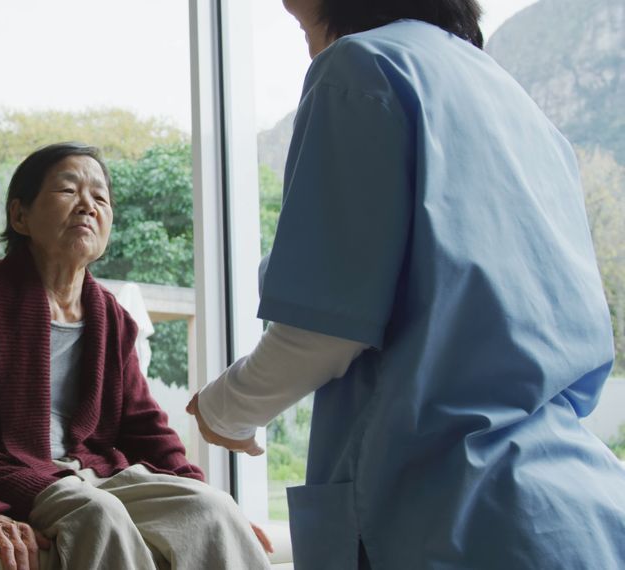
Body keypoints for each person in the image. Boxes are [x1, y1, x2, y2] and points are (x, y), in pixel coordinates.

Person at [186, 0, 625, 568]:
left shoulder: (361, 67)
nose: (308, 44)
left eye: (300, 27)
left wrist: (224, 409)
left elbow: (321, 333)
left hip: (449, 516)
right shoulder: (523, 110)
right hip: (577, 511)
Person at [0, 142, 272, 570]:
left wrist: (202, 494)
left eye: (100, 198)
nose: (88, 205)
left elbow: (145, 428)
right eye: (68, 191)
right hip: (1, 473)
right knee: (96, 513)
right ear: (20, 216)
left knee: (211, 509)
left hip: (93, 474)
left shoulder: (112, 318)